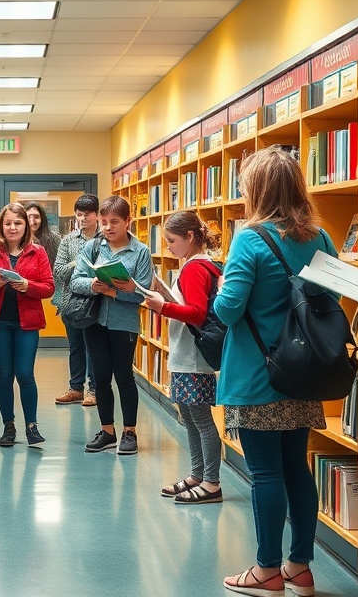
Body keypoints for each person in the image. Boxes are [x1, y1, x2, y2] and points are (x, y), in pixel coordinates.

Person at [214, 146, 337, 597]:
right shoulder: (320, 238)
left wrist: (223, 286)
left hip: (257, 374)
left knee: (265, 474)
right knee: (297, 470)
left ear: (258, 190)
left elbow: (227, 311)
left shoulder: (250, 238)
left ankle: (266, 570)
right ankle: (299, 567)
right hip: (303, 374)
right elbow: (331, 303)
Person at [142, 210, 224, 505]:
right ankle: (198, 475)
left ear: (190, 237)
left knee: (200, 420)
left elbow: (196, 313)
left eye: (172, 240)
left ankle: (211, 482)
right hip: (187, 354)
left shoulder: (194, 268)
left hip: (192, 358)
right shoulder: (201, 266)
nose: (168, 248)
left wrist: (160, 306)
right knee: (189, 419)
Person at [70, 195, 152, 455]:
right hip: (94, 321)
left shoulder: (141, 252)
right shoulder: (93, 248)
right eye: (104, 222)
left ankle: (130, 432)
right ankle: (107, 431)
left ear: (128, 221)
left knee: (124, 377)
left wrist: (117, 293)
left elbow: (142, 294)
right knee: (101, 377)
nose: (108, 227)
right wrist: (94, 285)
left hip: (123, 324)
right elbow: (75, 281)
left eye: (114, 222)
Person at [0, 203, 55, 447]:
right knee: (4, 375)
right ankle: (8, 427)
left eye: (18, 223)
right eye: (8, 223)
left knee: (25, 374)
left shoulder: (38, 252)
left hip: (27, 323)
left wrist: (28, 286)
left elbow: (48, 287)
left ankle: (32, 426)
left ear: (26, 226)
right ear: (1, 225)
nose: (12, 227)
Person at [53, 194, 100, 407]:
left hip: (98, 302)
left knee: (94, 347)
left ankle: (94, 390)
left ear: (97, 215)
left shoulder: (105, 239)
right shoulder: (68, 240)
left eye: (87, 215)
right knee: (75, 347)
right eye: (79, 214)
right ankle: (76, 388)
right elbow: (59, 271)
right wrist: (79, 262)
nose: (83, 219)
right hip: (71, 304)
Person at [24, 200, 61, 267]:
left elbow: (57, 266)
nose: (32, 222)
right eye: (28, 217)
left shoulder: (53, 238)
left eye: (36, 217)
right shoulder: (18, 239)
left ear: (42, 219)